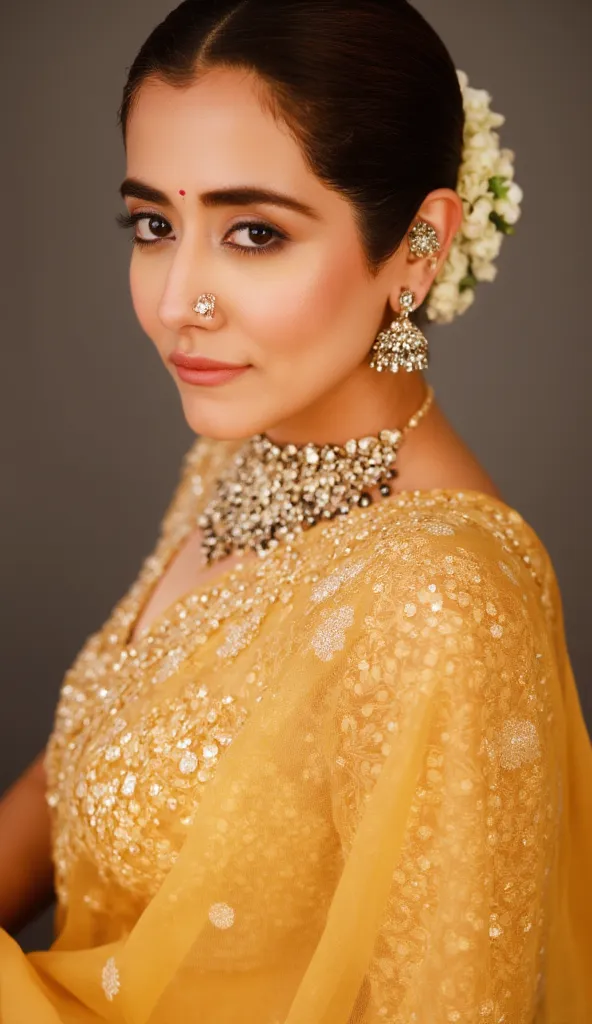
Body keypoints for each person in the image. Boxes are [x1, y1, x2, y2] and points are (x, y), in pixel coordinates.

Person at [1, 0, 590, 1020]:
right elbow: (85, 764)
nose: (178, 298)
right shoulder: (236, 458)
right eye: (153, 225)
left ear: (416, 245)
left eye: (253, 233)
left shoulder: (439, 602)